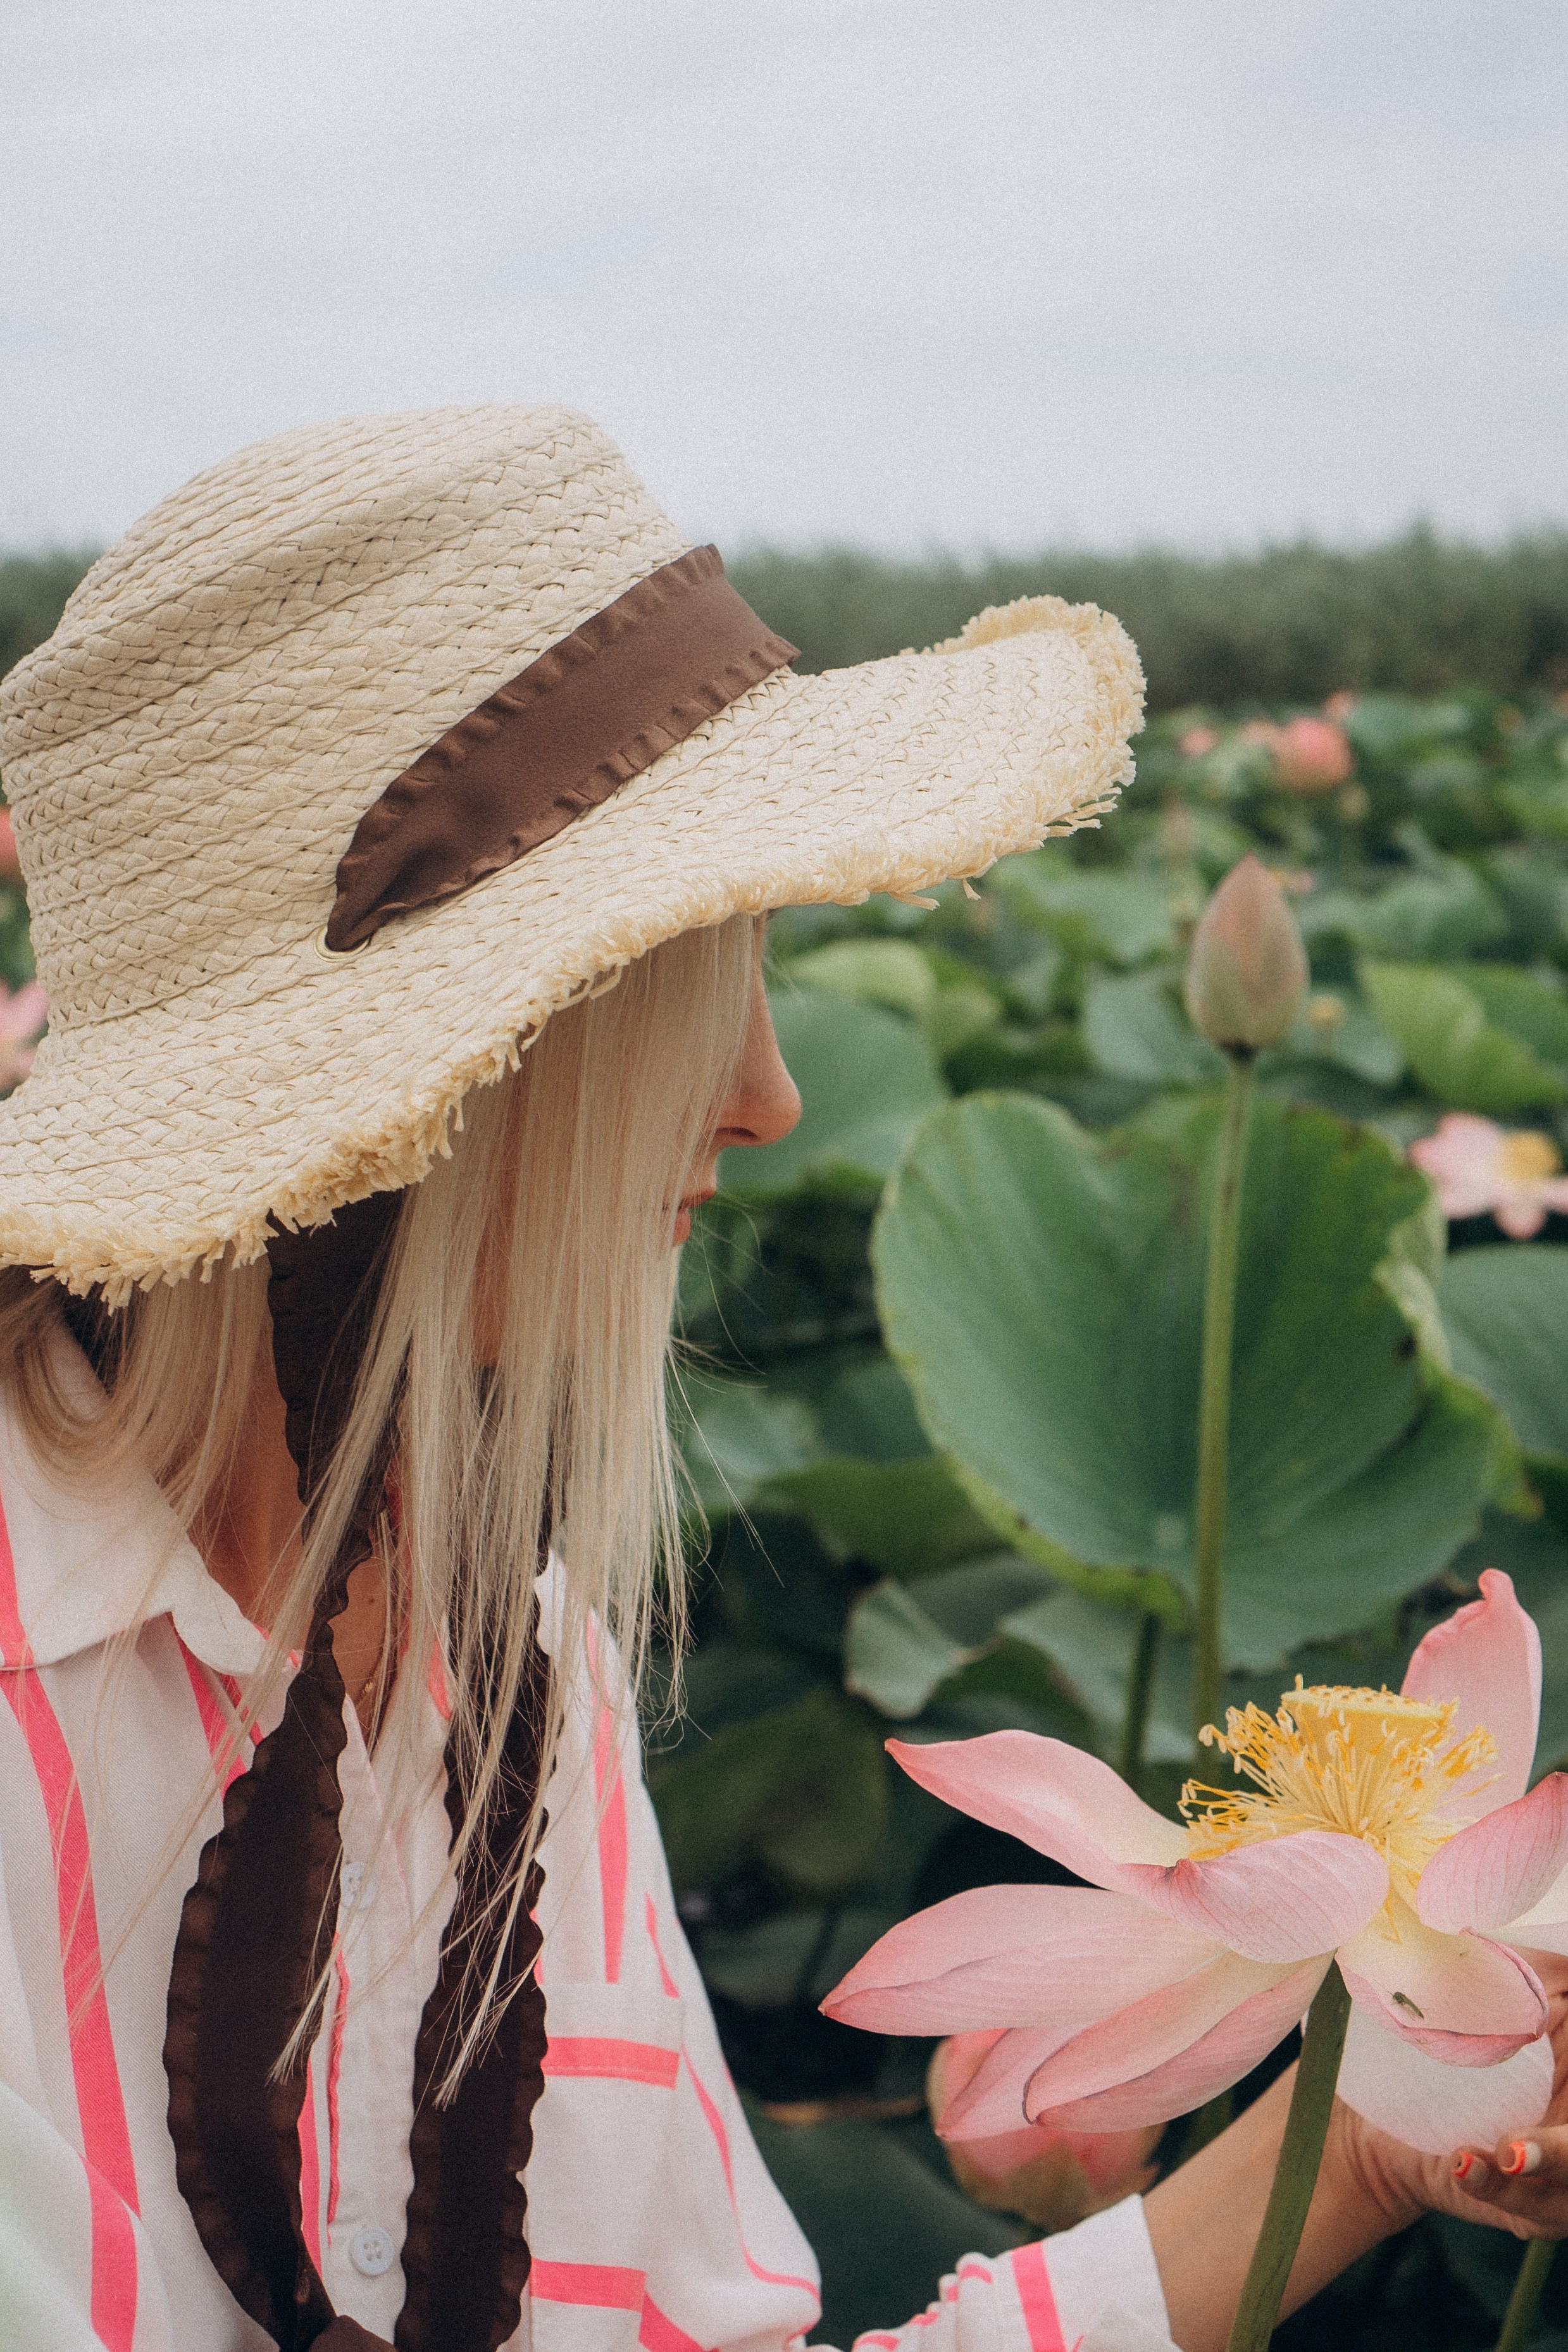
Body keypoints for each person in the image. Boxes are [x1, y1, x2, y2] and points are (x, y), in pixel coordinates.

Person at [0, 406, 1560, 2352]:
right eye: (686, 964)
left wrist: (1367, 2149)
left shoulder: (511, 1655)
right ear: (434, 1082)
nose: (768, 1096)